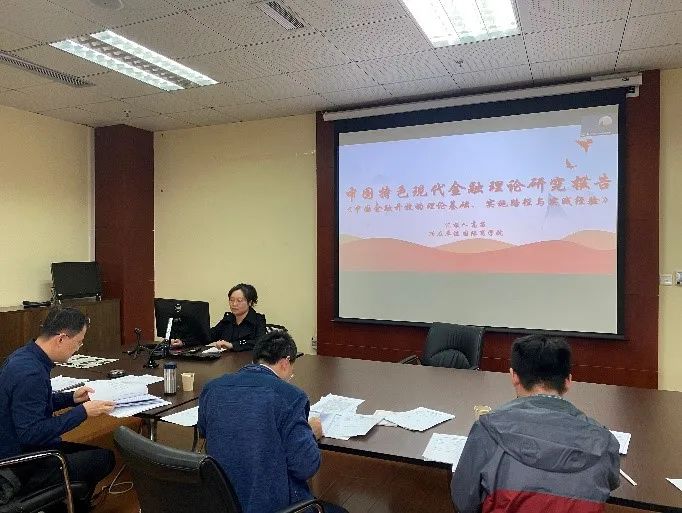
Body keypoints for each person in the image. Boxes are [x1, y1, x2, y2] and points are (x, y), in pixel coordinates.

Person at [451, 334, 620, 513]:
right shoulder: (604, 441)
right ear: (568, 381)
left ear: (514, 376)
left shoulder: (487, 430)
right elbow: (609, 484)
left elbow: (464, 502)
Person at [198, 330, 347, 513]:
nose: (291, 375)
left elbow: (204, 431)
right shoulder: (291, 397)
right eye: (292, 369)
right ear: (285, 363)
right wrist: (310, 433)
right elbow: (305, 467)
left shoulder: (212, 388)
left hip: (220, 500)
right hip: (270, 504)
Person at [0, 307, 116, 512]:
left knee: (96, 454)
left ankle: (67, 501)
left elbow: (34, 404)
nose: (78, 348)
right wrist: (83, 412)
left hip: (16, 448)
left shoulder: (25, 357)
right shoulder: (31, 374)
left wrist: (71, 399)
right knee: (104, 459)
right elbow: (31, 433)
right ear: (61, 338)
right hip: (19, 464)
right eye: (79, 342)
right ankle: (63, 504)